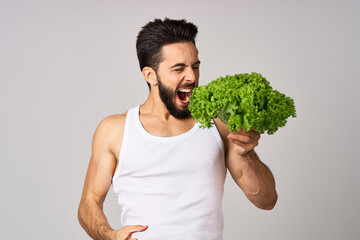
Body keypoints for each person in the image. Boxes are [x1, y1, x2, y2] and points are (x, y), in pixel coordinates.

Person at [78, 18, 277, 240]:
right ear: (150, 75)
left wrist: (247, 154)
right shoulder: (115, 130)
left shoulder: (218, 124)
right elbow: (89, 203)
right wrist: (110, 236)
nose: (192, 77)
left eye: (195, 66)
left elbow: (267, 200)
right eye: (178, 68)